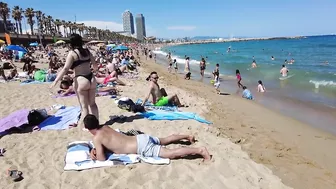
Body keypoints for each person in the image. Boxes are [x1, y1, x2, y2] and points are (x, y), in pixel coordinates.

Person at [84, 115, 211, 161]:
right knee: (165, 139)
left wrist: (92, 151)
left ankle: (200, 151)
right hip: (140, 138)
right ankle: (187, 136)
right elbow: (112, 142)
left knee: (171, 154)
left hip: (141, 147)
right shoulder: (105, 127)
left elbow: (101, 158)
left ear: (89, 129)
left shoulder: (97, 138)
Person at [50, 34, 99, 120]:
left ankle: (87, 127)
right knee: (93, 104)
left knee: (84, 107)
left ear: (71, 43)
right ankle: (96, 123)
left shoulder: (72, 53)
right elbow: (95, 65)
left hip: (81, 80)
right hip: (91, 78)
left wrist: (56, 80)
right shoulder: (87, 51)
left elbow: (65, 69)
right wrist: (95, 71)